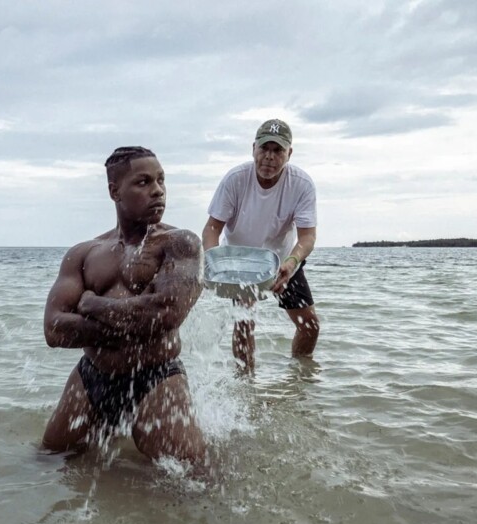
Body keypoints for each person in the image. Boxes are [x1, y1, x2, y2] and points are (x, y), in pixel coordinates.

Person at [42, 146, 207, 470]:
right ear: (114, 191)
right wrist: (132, 324)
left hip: (157, 377)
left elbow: (167, 314)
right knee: (49, 461)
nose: (158, 190)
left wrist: (93, 304)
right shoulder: (84, 253)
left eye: (161, 180)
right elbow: (54, 329)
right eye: (143, 182)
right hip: (92, 377)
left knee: (195, 481)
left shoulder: (180, 243)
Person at [202, 119, 320, 373]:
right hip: (240, 262)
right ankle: (246, 386)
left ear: (289, 153)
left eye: (277, 150)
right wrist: (213, 260)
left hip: (284, 261)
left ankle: (299, 381)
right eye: (264, 149)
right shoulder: (235, 179)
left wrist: (291, 263)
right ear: (253, 148)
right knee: (244, 325)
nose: (269, 157)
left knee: (309, 325)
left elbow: (307, 236)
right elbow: (212, 228)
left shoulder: (301, 184)